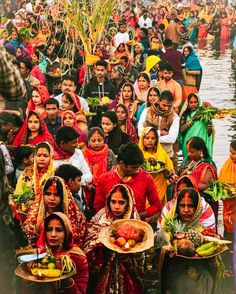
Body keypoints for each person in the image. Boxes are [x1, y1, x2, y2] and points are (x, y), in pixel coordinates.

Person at [83, 184, 145, 293]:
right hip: (103, 271)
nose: (116, 206)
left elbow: (140, 257)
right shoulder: (100, 219)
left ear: (128, 203)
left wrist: (127, 254)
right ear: (108, 201)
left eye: (121, 202)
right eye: (113, 202)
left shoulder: (136, 225)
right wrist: (100, 244)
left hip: (126, 275)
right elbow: (88, 242)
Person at [158, 188, 221, 294]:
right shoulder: (169, 226)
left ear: (197, 208)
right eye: (182, 206)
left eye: (191, 206)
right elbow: (160, 245)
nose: (186, 210)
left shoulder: (204, 225)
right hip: (176, 270)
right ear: (177, 208)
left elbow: (213, 257)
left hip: (201, 270)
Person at [23, 212, 88, 293]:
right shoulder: (36, 255)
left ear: (67, 232)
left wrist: (67, 279)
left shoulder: (77, 257)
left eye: (59, 230)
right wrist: (28, 281)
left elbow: (81, 292)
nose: (53, 234)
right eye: (49, 229)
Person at [94, 142, 161, 220]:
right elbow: (98, 207)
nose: (137, 171)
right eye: (133, 168)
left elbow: (156, 205)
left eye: (139, 167)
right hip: (110, 227)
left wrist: (136, 217)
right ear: (122, 164)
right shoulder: (104, 179)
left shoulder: (146, 178)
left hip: (136, 227)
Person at [24, 176, 87, 247]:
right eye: (48, 193)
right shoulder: (34, 215)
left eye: (56, 195)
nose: (51, 198)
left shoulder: (72, 216)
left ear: (63, 196)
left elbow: (76, 238)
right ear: (43, 194)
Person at [178, 137, 218, 221]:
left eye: (192, 152)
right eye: (188, 151)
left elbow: (206, 185)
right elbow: (180, 174)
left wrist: (188, 186)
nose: (189, 154)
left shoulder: (208, 165)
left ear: (201, 151)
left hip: (202, 201)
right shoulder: (188, 161)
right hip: (185, 198)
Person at [13, 142, 54, 214]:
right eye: (38, 155)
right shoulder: (27, 171)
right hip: (27, 211)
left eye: (45, 156)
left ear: (51, 156)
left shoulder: (55, 173)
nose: (41, 159)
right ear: (35, 157)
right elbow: (18, 193)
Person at [138, 90, 180, 161]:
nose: (166, 108)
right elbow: (140, 133)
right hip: (146, 154)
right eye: (164, 105)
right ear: (159, 101)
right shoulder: (147, 111)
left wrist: (149, 139)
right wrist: (160, 133)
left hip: (166, 155)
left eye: (169, 106)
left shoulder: (174, 117)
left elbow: (172, 138)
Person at [139, 127, 174, 206]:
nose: (150, 140)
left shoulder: (162, 153)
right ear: (142, 139)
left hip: (160, 187)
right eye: (147, 138)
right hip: (143, 189)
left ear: (156, 140)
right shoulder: (138, 154)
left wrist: (166, 172)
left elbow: (171, 171)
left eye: (153, 138)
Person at [82, 127, 116, 210]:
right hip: (86, 188)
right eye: (93, 141)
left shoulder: (109, 153)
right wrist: (87, 185)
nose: (96, 143)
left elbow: (113, 171)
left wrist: (102, 185)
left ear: (104, 140)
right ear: (88, 142)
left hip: (105, 188)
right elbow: (80, 172)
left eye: (99, 140)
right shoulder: (83, 153)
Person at [179, 93, 213, 158]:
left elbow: (209, 133)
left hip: (202, 144)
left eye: (195, 102)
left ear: (198, 102)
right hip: (188, 144)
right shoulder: (185, 114)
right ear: (188, 104)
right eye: (191, 102)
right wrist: (193, 119)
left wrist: (208, 120)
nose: (193, 104)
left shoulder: (203, 113)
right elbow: (181, 130)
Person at [218, 140, 236, 235]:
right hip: (228, 211)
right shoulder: (228, 164)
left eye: (233, 153)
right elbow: (220, 182)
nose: (230, 156)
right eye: (230, 152)